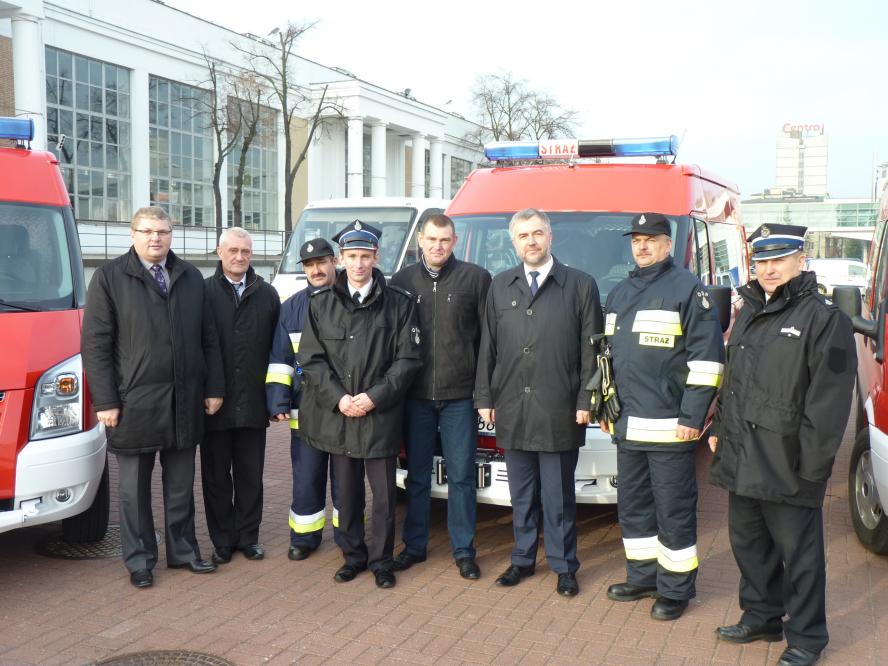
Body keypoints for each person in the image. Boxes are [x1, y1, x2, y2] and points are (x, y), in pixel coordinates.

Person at [709, 224, 856, 666]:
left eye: (778, 260)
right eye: (762, 261)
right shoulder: (750, 309)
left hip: (789, 461)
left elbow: (829, 402)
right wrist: (719, 425)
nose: (769, 269)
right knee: (749, 545)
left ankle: (808, 638)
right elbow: (734, 380)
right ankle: (762, 616)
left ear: (800, 260)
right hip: (743, 454)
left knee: (801, 558)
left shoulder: (825, 319)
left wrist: (813, 467)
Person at [82, 206, 225, 588]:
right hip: (132, 404)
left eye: (162, 231)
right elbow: (95, 345)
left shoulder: (191, 277)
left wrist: (214, 388)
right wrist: (106, 400)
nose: (155, 238)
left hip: (184, 401)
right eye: (147, 231)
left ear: (171, 235)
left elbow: (208, 338)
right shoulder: (110, 278)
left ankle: (183, 551)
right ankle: (140, 560)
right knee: (133, 491)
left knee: (180, 486)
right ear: (133, 234)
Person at [602, 212, 724, 621]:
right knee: (634, 507)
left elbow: (707, 361)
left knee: (673, 509)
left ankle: (675, 590)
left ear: (667, 245)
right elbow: (607, 358)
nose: (641, 246)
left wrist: (693, 416)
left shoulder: (688, 290)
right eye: (636, 239)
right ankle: (643, 577)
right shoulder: (619, 292)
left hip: (672, 427)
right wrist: (605, 408)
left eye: (650, 239)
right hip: (629, 425)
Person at [475, 208, 601, 597]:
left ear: (550, 237)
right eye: (522, 235)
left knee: (558, 495)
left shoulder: (580, 285)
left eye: (537, 233)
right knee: (522, 493)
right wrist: (484, 396)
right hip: (512, 406)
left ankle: (564, 566)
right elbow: (488, 348)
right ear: (513, 242)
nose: (530, 241)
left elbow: (592, 350)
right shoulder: (500, 285)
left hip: (560, 408)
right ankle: (523, 559)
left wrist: (586, 399)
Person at [298, 220, 421, 589]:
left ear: (376, 257)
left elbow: (408, 360)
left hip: (378, 415)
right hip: (340, 416)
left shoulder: (399, 304)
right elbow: (312, 359)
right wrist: (340, 399)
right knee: (346, 496)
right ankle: (352, 556)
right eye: (351, 256)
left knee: (383, 498)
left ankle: (382, 561)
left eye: (365, 256)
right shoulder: (321, 304)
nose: (359, 264)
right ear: (340, 259)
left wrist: (374, 397)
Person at [389, 214, 492, 579]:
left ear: (455, 241)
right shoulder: (401, 282)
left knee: (462, 476)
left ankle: (464, 551)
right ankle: (414, 546)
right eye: (431, 239)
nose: (438, 246)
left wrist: (483, 394)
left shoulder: (476, 279)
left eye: (445, 240)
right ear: (420, 239)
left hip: (459, 397)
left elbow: (487, 343)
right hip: (415, 397)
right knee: (416, 476)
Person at [202, 227, 280, 564]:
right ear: (219, 252)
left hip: (252, 401)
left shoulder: (267, 294)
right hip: (213, 404)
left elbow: (278, 351)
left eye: (245, 251)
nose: (239, 257)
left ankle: (249, 536)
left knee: (250, 475)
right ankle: (222, 540)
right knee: (216, 476)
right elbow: (199, 347)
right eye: (233, 250)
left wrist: (275, 398)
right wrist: (209, 389)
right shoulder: (202, 293)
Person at [266, 238, 339, 561]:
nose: (316, 270)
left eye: (322, 262)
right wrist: (278, 401)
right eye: (309, 265)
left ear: (334, 262)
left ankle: (347, 534)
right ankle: (304, 537)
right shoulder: (291, 307)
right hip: (305, 408)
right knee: (306, 476)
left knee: (345, 477)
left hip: (343, 408)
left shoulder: (350, 299)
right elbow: (280, 358)